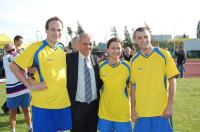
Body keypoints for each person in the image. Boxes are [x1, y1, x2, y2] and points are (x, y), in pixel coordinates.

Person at [10, 16, 72, 132]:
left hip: (62, 103)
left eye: (59, 30)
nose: (56, 33)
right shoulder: (36, 47)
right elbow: (13, 66)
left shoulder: (61, 49)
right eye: (52, 29)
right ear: (46, 30)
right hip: (43, 105)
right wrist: (29, 85)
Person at [130, 27, 179, 132]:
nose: (143, 40)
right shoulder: (133, 60)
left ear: (150, 37)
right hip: (141, 113)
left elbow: (172, 80)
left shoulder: (164, 54)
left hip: (161, 111)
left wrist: (170, 105)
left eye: (146, 36)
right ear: (135, 40)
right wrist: (133, 109)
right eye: (139, 38)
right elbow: (133, 86)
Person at [66, 33, 102, 132]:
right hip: (76, 107)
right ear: (79, 44)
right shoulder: (68, 59)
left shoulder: (95, 60)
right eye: (85, 44)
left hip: (93, 107)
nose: (88, 47)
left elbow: (100, 81)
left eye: (90, 44)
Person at [98, 38, 132, 132]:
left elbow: (134, 89)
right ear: (107, 49)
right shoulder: (100, 66)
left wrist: (134, 108)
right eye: (113, 48)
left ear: (122, 49)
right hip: (105, 113)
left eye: (118, 48)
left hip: (123, 113)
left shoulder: (128, 66)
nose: (116, 51)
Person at [3, 44, 32, 132]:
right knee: (13, 112)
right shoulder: (6, 58)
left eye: (13, 49)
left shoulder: (19, 55)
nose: (12, 52)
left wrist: (21, 54)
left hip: (24, 88)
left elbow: (26, 65)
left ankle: (30, 128)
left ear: (15, 48)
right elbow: (15, 61)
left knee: (27, 110)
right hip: (12, 91)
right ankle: (13, 130)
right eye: (9, 51)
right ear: (6, 52)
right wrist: (20, 54)